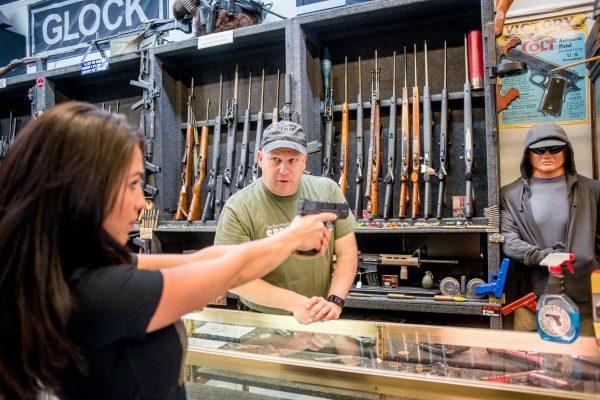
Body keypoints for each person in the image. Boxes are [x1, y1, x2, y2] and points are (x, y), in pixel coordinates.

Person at [0, 102, 337, 400]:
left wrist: (282, 242)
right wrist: (289, 239)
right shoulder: (96, 291)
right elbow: (228, 273)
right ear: (83, 188)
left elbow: (202, 260)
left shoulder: (80, 263)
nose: (139, 203)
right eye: (132, 184)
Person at [215, 120, 358, 324]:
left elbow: (347, 252)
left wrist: (335, 301)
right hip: (261, 320)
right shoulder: (237, 207)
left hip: (319, 317)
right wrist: (296, 304)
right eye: (275, 160)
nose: (284, 170)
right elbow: (232, 277)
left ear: (304, 161)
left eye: (292, 160)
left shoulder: (327, 192)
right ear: (260, 159)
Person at [500, 123, 599, 335]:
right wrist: (546, 256)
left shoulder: (592, 191)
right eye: (539, 149)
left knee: (586, 364)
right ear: (528, 154)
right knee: (529, 363)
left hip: (584, 303)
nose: (547, 154)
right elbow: (508, 241)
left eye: (554, 148)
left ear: (566, 151)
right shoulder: (509, 195)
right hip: (531, 302)